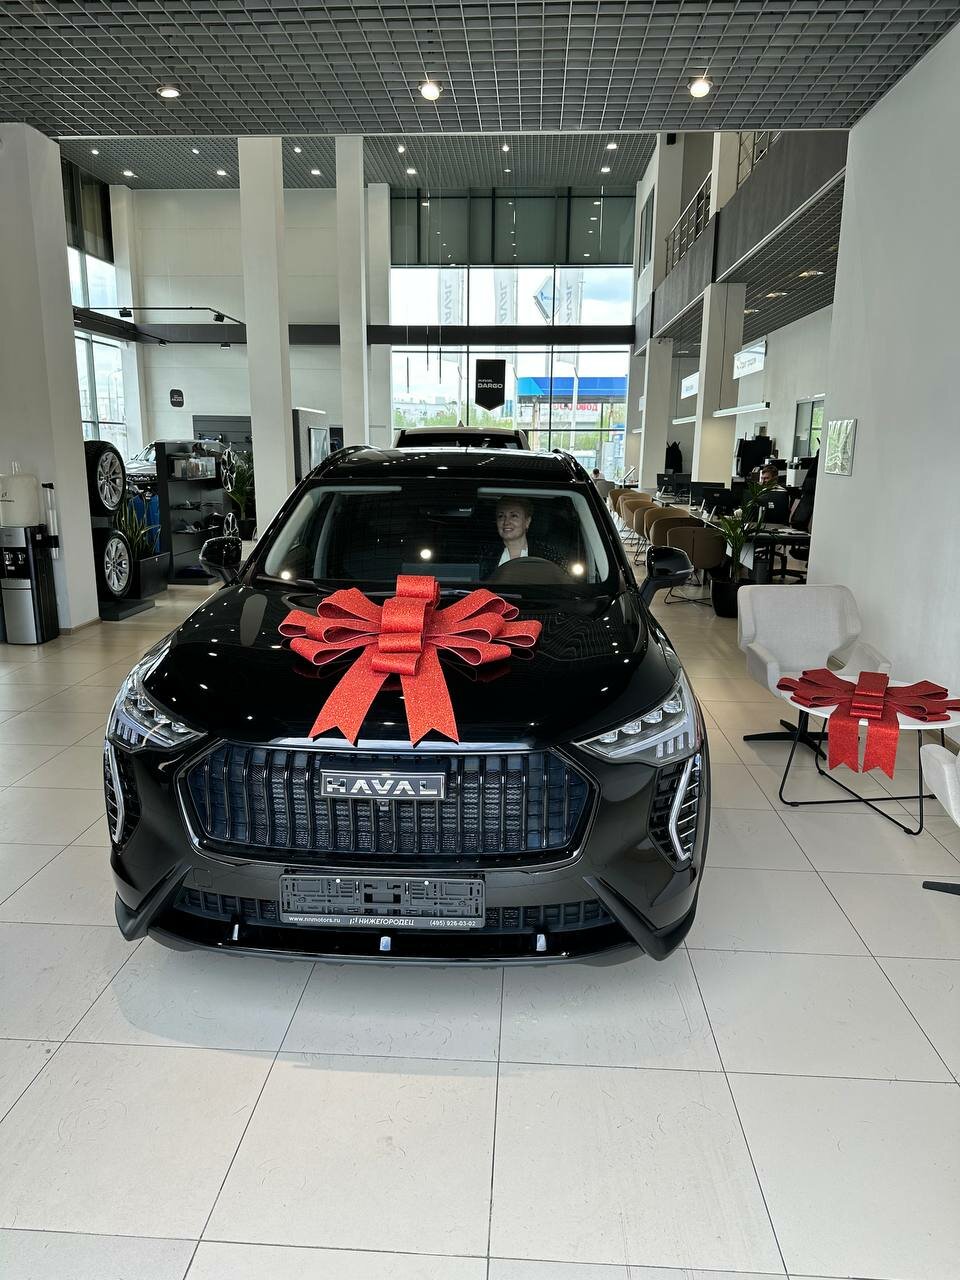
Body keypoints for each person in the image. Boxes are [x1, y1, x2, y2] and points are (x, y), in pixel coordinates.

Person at [479, 496, 567, 578]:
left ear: (527, 522)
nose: (506, 522)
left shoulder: (548, 555)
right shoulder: (484, 555)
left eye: (513, 516)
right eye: (501, 516)